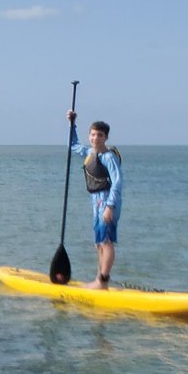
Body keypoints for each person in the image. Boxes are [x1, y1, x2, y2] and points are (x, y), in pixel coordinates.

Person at [68, 110, 123, 289]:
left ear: (105, 137)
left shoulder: (109, 157)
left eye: (99, 135)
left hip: (107, 201)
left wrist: (110, 206)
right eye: (92, 135)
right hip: (96, 201)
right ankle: (99, 279)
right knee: (98, 242)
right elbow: (73, 145)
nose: (95, 138)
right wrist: (72, 123)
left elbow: (117, 182)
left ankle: (103, 281)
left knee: (106, 241)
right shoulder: (90, 153)